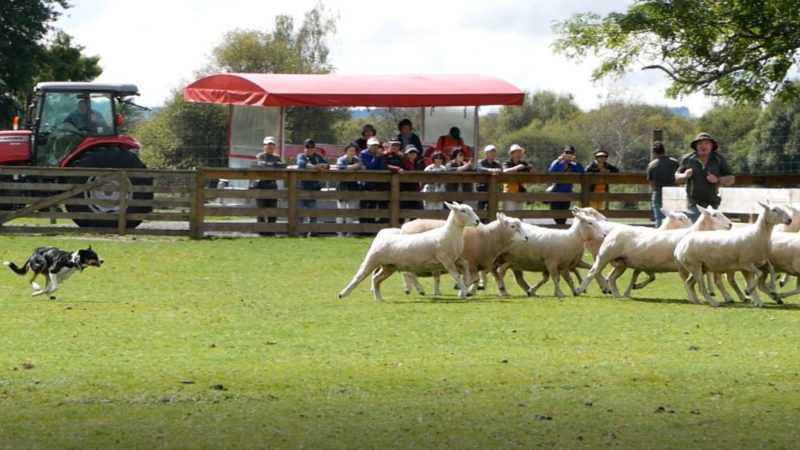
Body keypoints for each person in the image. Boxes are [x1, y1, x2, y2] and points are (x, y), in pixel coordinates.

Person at [675, 132, 735, 223]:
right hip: (694, 203)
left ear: (711, 146)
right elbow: (677, 177)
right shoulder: (688, 159)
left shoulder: (719, 159)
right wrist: (684, 175)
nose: (703, 146)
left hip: (712, 203)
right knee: (697, 229)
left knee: (711, 230)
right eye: (700, 144)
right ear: (696, 146)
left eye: (706, 143)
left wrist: (718, 179)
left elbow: (731, 179)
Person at [251, 135, 287, 233]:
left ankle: (271, 230)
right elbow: (258, 164)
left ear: (274, 147)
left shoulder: (277, 157)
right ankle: (261, 230)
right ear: (264, 146)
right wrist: (273, 165)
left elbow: (283, 165)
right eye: (268, 145)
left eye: (272, 145)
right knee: (261, 209)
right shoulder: (260, 156)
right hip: (260, 185)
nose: (270, 147)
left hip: (272, 185)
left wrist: (272, 165)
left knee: (273, 208)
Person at [296, 138, 329, 236]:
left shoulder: (318, 157)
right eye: (307, 147)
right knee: (300, 213)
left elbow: (327, 165)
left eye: (312, 147)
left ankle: (313, 231)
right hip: (301, 189)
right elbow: (301, 164)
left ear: (315, 148)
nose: (309, 149)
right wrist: (315, 167)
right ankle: (301, 232)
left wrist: (321, 165)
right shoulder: (301, 156)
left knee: (313, 212)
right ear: (304, 148)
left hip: (313, 189)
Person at [547, 145, 585, 224]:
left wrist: (576, 162)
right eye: (566, 153)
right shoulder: (557, 163)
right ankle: (559, 226)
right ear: (563, 153)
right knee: (554, 212)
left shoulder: (574, 166)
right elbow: (550, 171)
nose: (568, 155)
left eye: (570, 153)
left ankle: (561, 227)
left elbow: (582, 173)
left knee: (564, 213)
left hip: (567, 192)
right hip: (556, 191)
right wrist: (558, 160)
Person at [646, 141, 680, 227]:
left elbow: (651, 182)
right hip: (672, 193)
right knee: (673, 218)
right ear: (664, 150)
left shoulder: (652, 165)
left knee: (659, 219)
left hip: (658, 193)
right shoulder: (674, 163)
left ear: (654, 152)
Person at [359, 137, 390, 225]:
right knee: (365, 205)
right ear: (368, 146)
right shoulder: (364, 153)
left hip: (377, 183)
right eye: (372, 145)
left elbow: (382, 167)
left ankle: (371, 227)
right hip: (366, 183)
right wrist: (376, 157)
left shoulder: (380, 154)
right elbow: (369, 166)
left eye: (376, 145)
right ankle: (363, 227)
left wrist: (381, 157)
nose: (374, 147)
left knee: (373, 205)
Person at [336, 142, 363, 237]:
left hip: (353, 187)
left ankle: (349, 232)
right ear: (346, 151)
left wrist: (361, 167)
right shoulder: (341, 159)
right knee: (341, 210)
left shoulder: (357, 159)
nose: (352, 152)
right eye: (350, 150)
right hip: (342, 187)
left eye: (353, 151)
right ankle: (339, 232)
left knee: (351, 210)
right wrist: (353, 167)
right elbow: (340, 167)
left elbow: (362, 167)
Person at [391, 144, 425, 212]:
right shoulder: (401, 162)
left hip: (415, 189)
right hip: (404, 189)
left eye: (414, 152)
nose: (412, 154)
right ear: (406, 153)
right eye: (410, 152)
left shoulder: (419, 163)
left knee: (415, 210)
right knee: (403, 210)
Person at [502, 144, 533, 211]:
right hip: (509, 191)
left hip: (521, 191)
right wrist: (516, 168)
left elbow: (530, 172)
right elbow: (504, 171)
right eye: (516, 152)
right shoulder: (507, 163)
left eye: (519, 152)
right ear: (511, 154)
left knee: (520, 213)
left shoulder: (524, 163)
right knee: (509, 214)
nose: (518, 154)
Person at [476, 144, 503, 212]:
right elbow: (479, 168)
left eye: (494, 151)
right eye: (490, 151)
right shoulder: (481, 162)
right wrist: (490, 170)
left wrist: (498, 171)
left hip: (493, 189)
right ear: (486, 153)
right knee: (480, 209)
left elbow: (500, 169)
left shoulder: (497, 163)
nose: (492, 153)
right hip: (482, 189)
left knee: (492, 209)